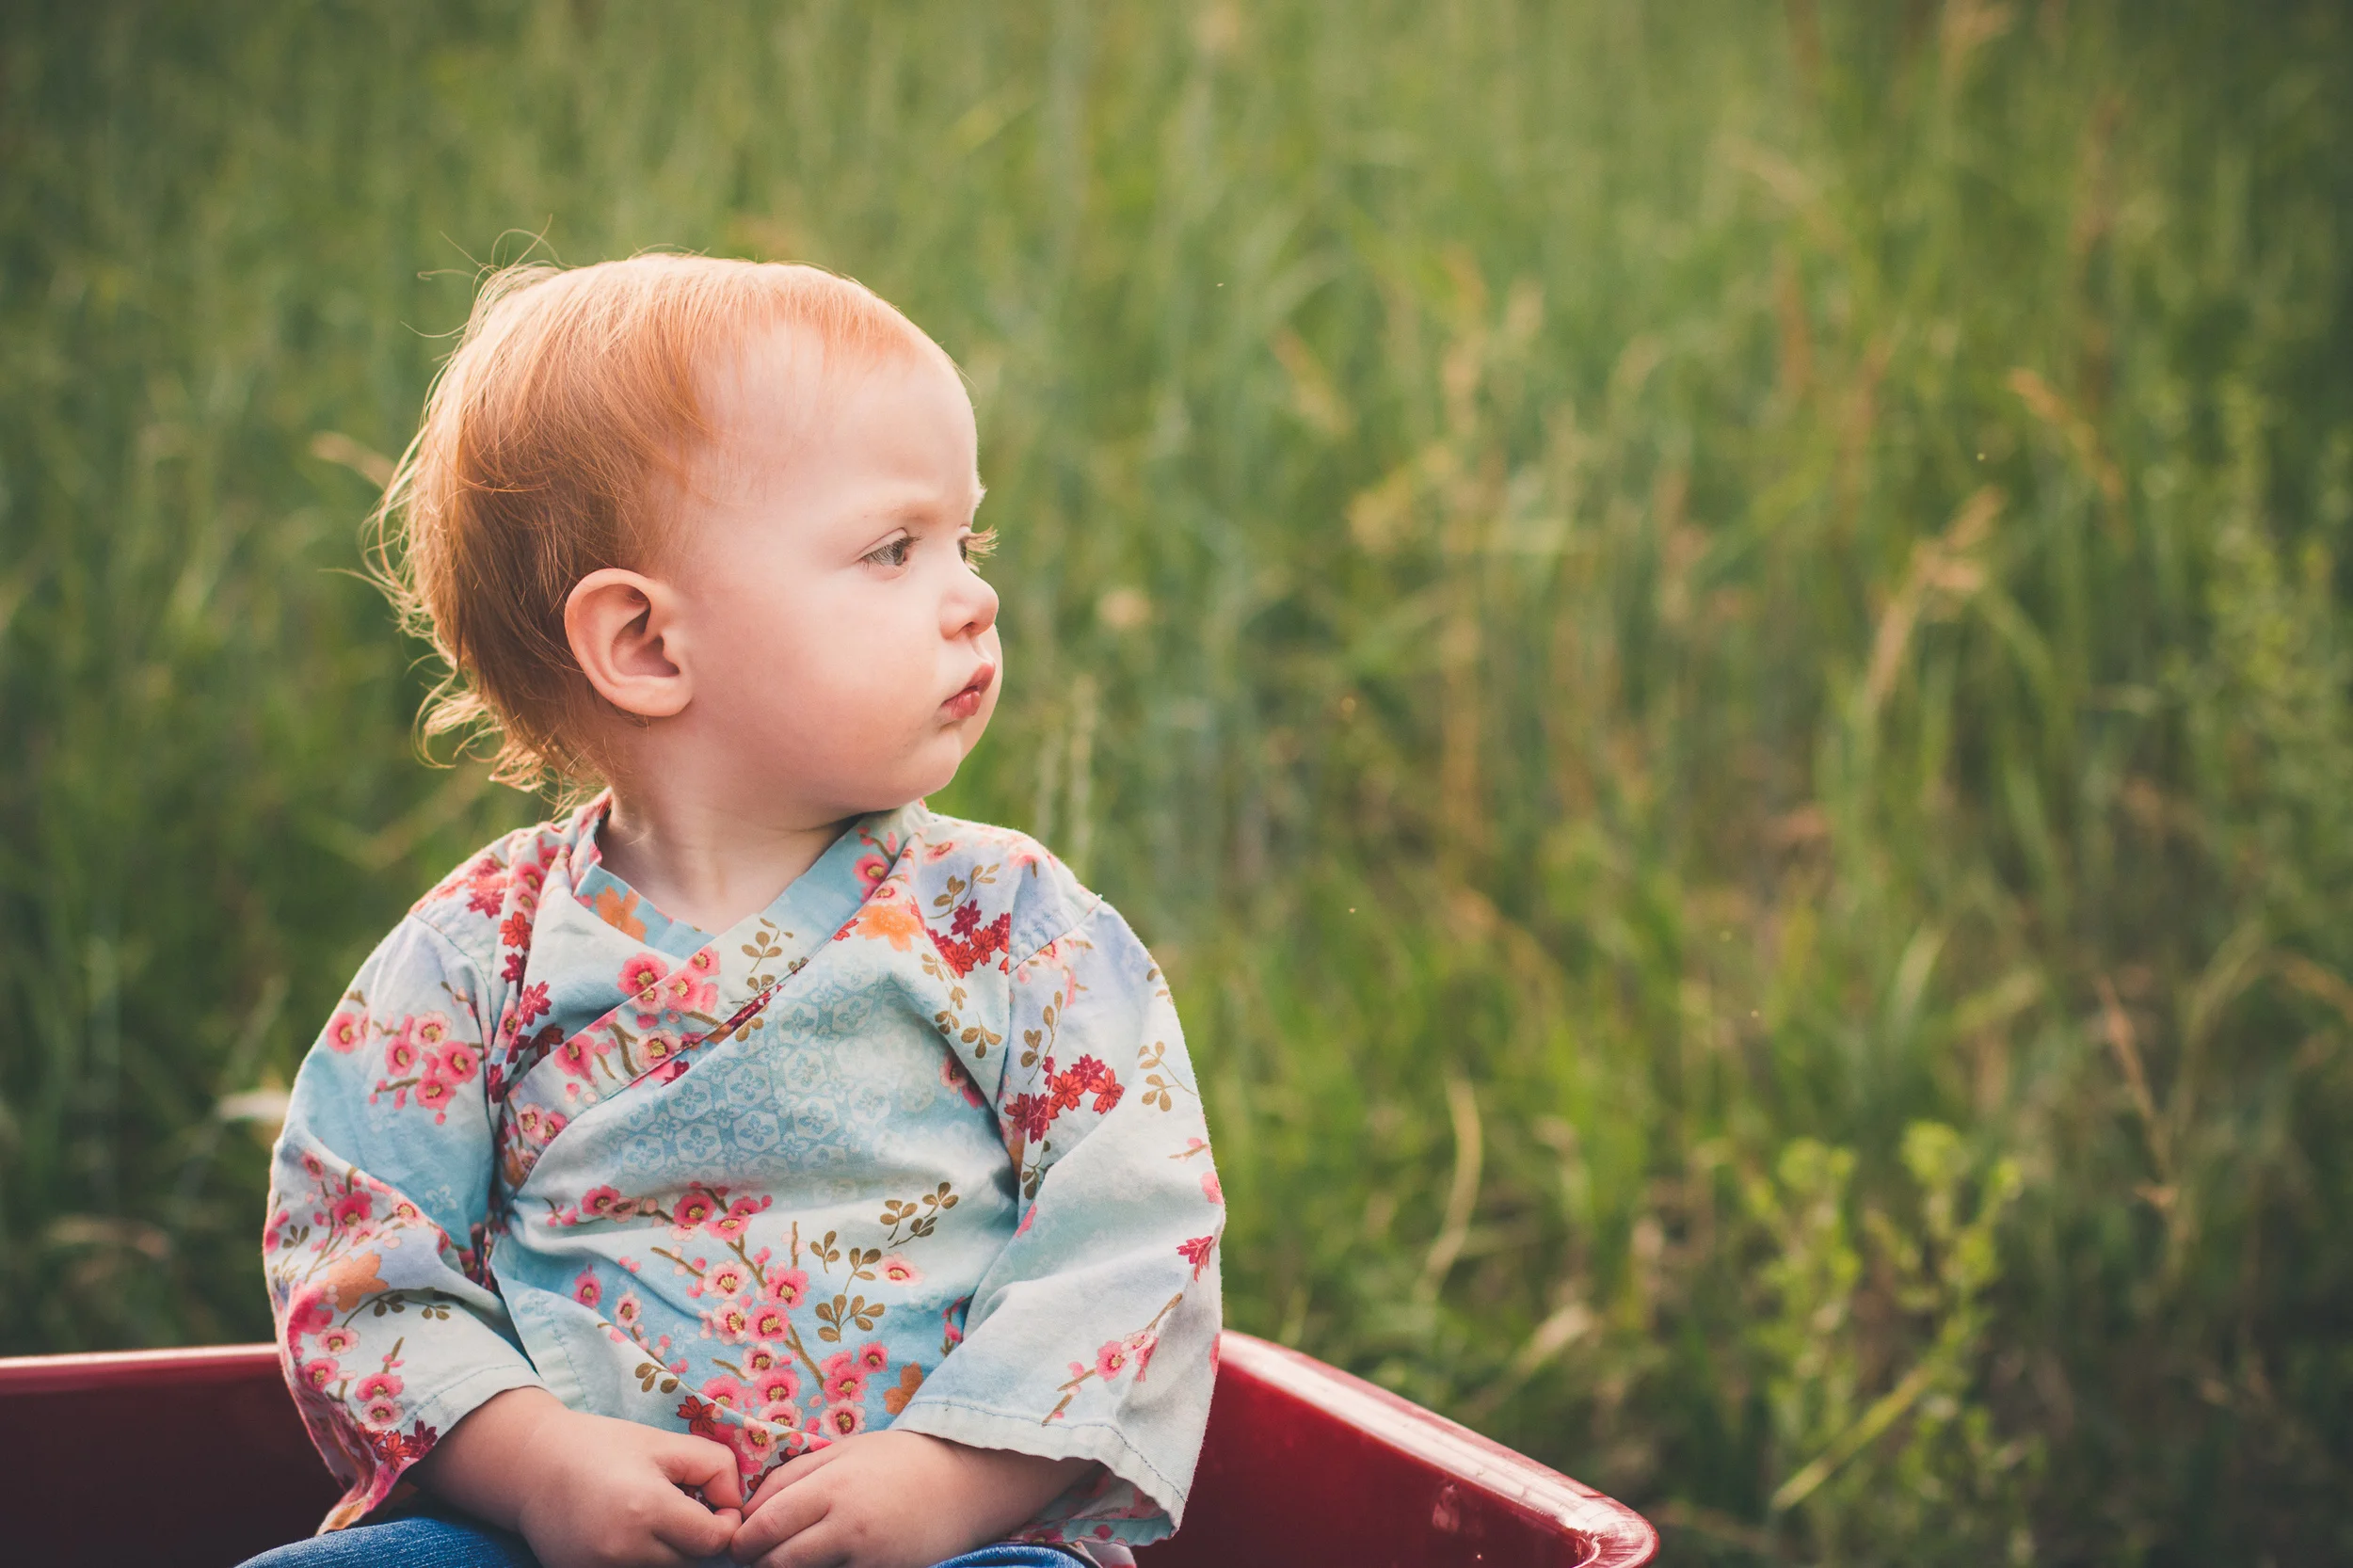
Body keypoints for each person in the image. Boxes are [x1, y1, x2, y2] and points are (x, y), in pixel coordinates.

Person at [246, 255, 1223, 1568]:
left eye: (965, 542)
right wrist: (535, 1463)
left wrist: (954, 1474)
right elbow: (352, 1248)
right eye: (893, 548)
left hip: (938, 1544)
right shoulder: (482, 952)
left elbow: (1133, 1224)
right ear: (648, 644)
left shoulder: (1010, 926)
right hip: (552, 1544)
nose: (973, 594)